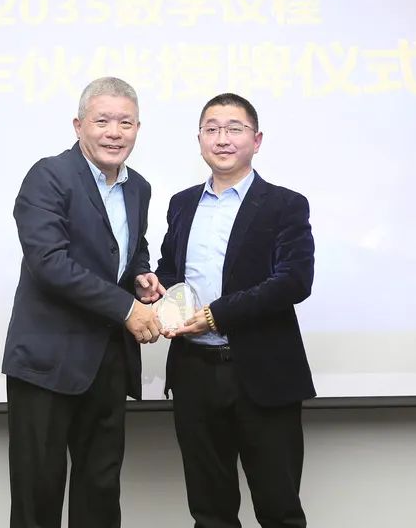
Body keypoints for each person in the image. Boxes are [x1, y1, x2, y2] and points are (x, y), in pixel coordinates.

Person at [2, 76, 164, 528]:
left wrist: (141, 278)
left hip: (108, 362)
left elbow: (129, 250)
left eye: (125, 123)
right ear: (78, 125)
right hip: (47, 362)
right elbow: (49, 263)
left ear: (138, 129)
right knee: (38, 494)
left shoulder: (138, 187)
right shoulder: (49, 175)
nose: (115, 132)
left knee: (100, 491)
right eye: (102, 121)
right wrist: (128, 309)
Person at [156, 92, 316, 528]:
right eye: (211, 129)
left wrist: (217, 315)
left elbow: (294, 281)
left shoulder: (285, 204)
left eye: (234, 129)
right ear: (200, 140)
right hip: (194, 372)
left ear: (256, 140)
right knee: (210, 513)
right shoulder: (182, 203)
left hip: (263, 373)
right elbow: (170, 271)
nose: (222, 138)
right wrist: (159, 291)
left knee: (280, 510)